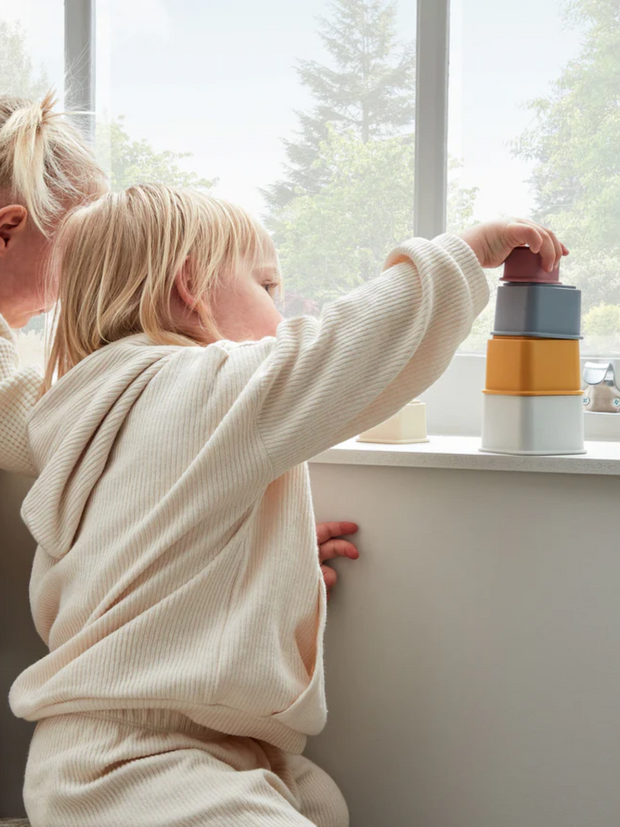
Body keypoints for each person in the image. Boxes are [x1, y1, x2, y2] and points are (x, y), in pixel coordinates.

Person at [0, 99, 567, 827]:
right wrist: (462, 254)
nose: (282, 308)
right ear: (190, 287)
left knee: (320, 803)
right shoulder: (203, 390)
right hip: (146, 769)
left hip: (117, 757)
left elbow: (152, 554)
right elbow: (344, 351)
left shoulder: (88, 411)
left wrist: (267, 556)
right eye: (267, 286)